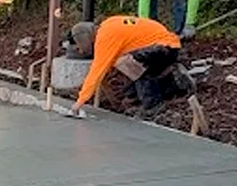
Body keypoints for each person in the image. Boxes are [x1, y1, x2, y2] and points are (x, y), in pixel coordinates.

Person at [65, 16, 193, 118]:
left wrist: (79, 103)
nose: (81, 51)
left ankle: (153, 105)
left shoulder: (105, 38)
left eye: (80, 46)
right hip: (168, 46)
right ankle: (176, 86)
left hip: (162, 48)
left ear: (85, 39)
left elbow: (96, 72)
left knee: (130, 64)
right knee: (135, 67)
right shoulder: (108, 24)